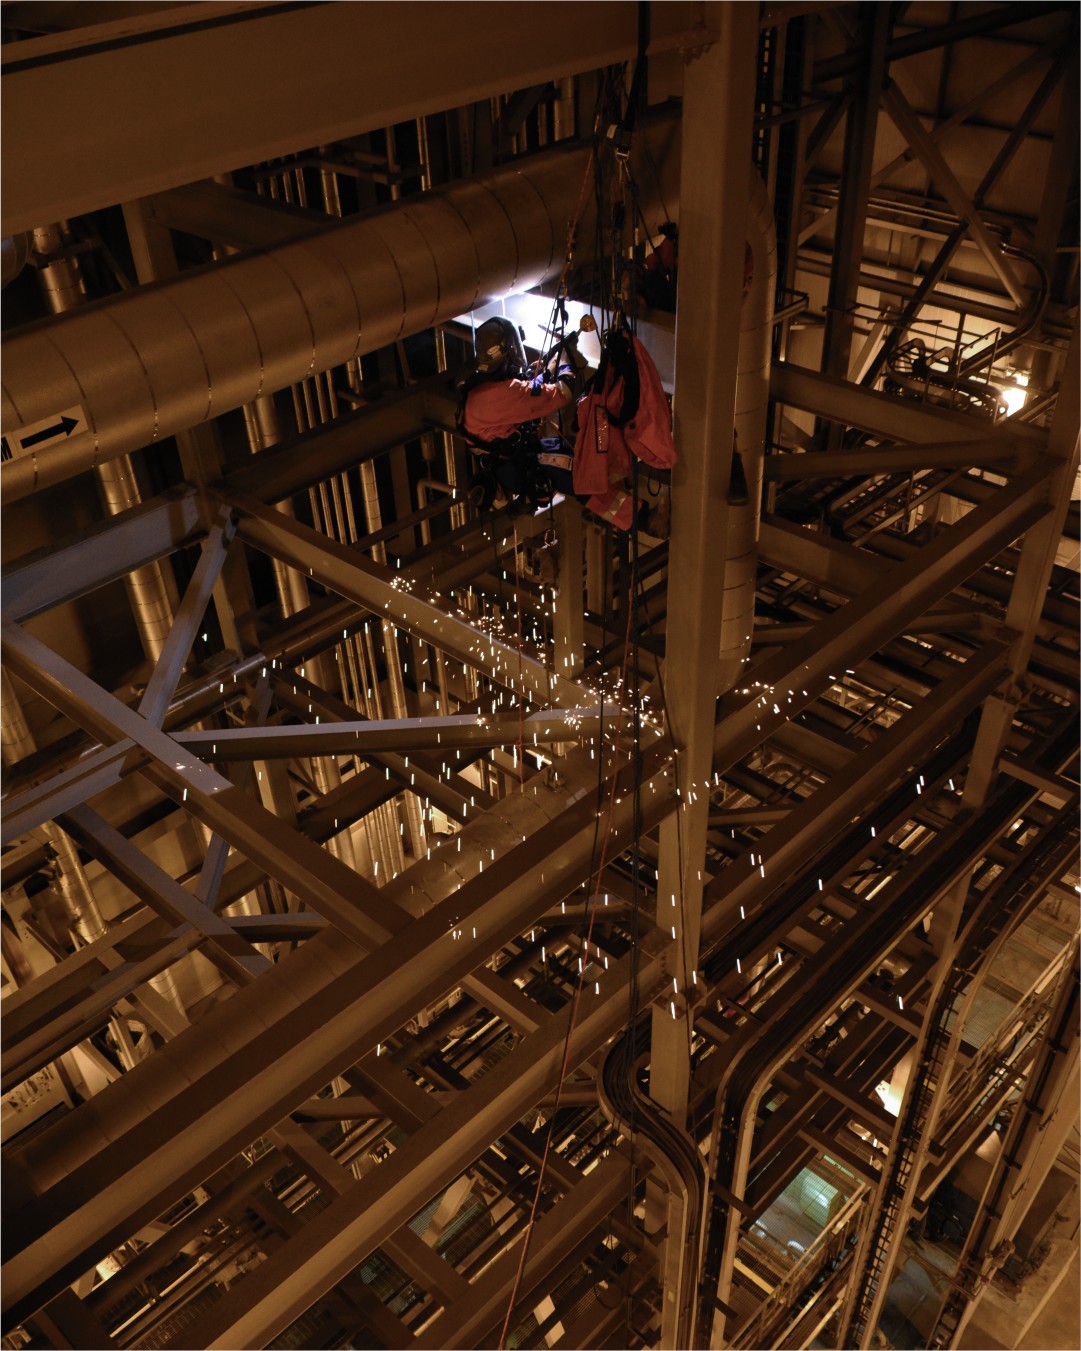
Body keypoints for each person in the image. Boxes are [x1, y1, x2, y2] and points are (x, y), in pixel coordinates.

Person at [458, 316, 582, 515]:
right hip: (522, 459)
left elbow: (529, 390)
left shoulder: (485, 389)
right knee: (580, 479)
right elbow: (562, 393)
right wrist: (566, 358)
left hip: (514, 455)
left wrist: (550, 363)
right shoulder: (496, 396)